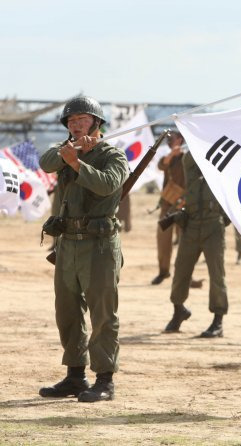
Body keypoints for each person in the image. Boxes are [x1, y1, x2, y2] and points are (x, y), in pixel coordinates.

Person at [38, 96, 129, 402]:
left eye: (82, 120)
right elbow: (45, 162)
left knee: (103, 313)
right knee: (67, 310)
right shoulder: (65, 151)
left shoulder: (112, 156)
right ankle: (75, 375)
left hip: (99, 245)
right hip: (68, 244)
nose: (76, 126)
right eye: (71, 121)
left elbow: (107, 185)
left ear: (97, 123)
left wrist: (77, 163)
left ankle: (105, 379)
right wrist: (71, 153)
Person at [162, 149, 228, 338]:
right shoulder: (191, 167)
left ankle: (218, 321)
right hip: (191, 225)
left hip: (213, 225)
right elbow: (188, 157)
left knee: (217, 274)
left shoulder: (220, 171)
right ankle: (178, 310)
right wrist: (197, 137)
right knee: (181, 270)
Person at [152, 131, 187, 285]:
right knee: (163, 240)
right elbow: (161, 165)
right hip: (168, 207)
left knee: (187, 243)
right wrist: (172, 154)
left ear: (180, 139)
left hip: (185, 206)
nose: (169, 141)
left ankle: (185, 275)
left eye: (171, 139)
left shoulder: (188, 157)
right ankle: (163, 272)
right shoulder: (168, 158)